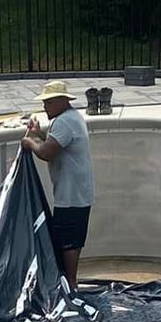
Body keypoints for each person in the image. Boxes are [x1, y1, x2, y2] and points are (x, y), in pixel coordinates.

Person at [21, 79, 95, 289]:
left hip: (72, 195)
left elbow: (46, 152)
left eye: (49, 102)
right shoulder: (67, 118)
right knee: (69, 238)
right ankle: (69, 282)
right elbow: (55, 142)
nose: (45, 107)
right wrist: (38, 133)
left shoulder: (65, 122)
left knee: (69, 242)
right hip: (75, 192)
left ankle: (70, 285)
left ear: (62, 101)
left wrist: (29, 142)